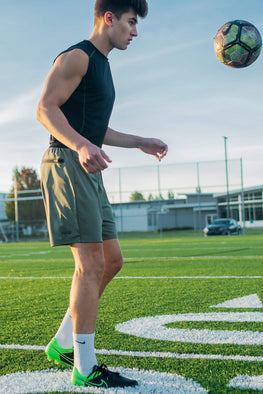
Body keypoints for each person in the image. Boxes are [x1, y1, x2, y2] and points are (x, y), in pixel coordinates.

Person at [37, 0, 168, 389]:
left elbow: (97, 127)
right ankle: (85, 366)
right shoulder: (78, 56)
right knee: (90, 265)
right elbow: (45, 108)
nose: (135, 31)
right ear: (108, 18)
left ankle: (62, 343)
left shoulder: (103, 66)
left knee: (111, 261)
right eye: (130, 22)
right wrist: (79, 146)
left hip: (87, 166)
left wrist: (140, 140)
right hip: (66, 162)